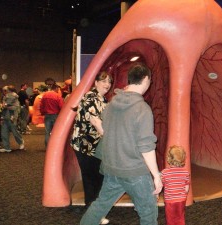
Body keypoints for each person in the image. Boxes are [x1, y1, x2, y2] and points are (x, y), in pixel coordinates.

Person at [80, 63, 163, 225]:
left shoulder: (111, 104)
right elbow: (146, 147)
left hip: (112, 168)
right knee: (148, 211)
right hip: (135, 171)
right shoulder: (142, 108)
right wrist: (156, 175)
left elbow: (106, 133)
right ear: (145, 79)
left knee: (100, 205)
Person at [71, 72, 112, 224]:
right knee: (92, 178)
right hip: (85, 145)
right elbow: (96, 121)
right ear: (95, 82)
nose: (107, 84)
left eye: (109, 81)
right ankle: (93, 213)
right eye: (103, 81)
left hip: (96, 145)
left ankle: (94, 211)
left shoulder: (102, 99)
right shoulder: (91, 97)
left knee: (97, 177)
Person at [161, 145, 190, 225]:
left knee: (170, 219)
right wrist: (184, 194)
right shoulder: (186, 172)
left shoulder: (164, 173)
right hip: (181, 199)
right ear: (183, 159)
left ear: (169, 158)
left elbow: (162, 184)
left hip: (170, 200)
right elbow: (186, 187)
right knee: (180, 216)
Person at [0, 86, 25, 153]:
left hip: (12, 117)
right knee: (4, 133)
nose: (4, 91)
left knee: (15, 132)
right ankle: (7, 147)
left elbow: (12, 107)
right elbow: (4, 107)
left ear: (9, 90)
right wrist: (2, 117)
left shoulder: (13, 96)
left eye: (5, 90)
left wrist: (4, 106)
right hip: (5, 117)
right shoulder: (6, 97)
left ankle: (21, 142)